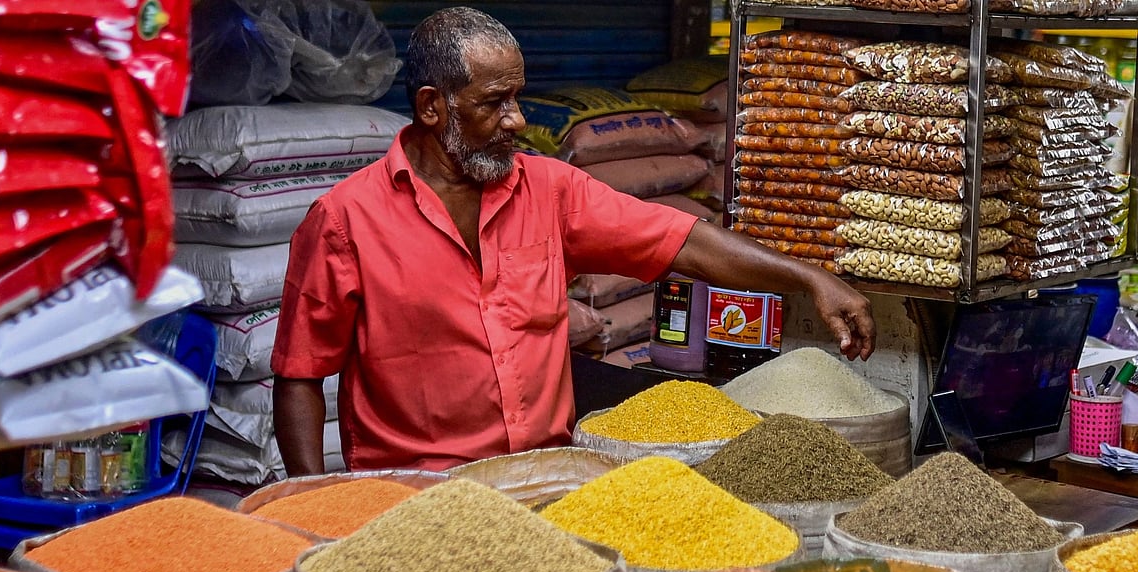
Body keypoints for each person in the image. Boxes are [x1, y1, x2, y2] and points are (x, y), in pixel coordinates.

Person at [271, 6, 875, 475]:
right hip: (414, 498)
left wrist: (810, 276)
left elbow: (686, 241)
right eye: (494, 102)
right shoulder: (346, 220)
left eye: (517, 96)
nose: (517, 120)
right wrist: (307, 506)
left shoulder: (550, 190)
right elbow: (300, 374)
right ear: (432, 107)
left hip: (545, 482)